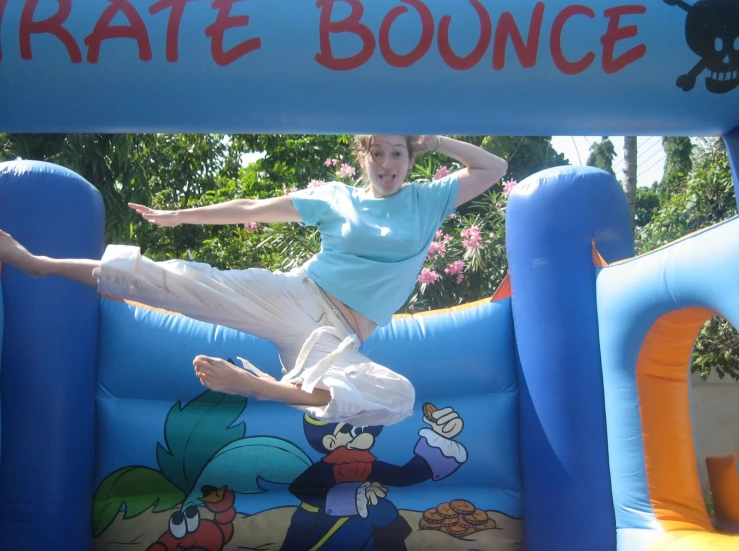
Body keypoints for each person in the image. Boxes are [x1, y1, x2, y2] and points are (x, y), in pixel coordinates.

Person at [0, 135, 507, 426]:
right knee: (181, 282)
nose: (386, 164)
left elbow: (495, 165)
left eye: (397, 153)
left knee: (398, 398)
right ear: (362, 156)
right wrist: (179, 216)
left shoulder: (429, 200)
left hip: (334, 342)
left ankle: (266, 389)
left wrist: (432, 137)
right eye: (376, 153)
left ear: (411, 158)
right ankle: (36, 262)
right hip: (300, 299)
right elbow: (253, 209)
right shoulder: (335, 197)